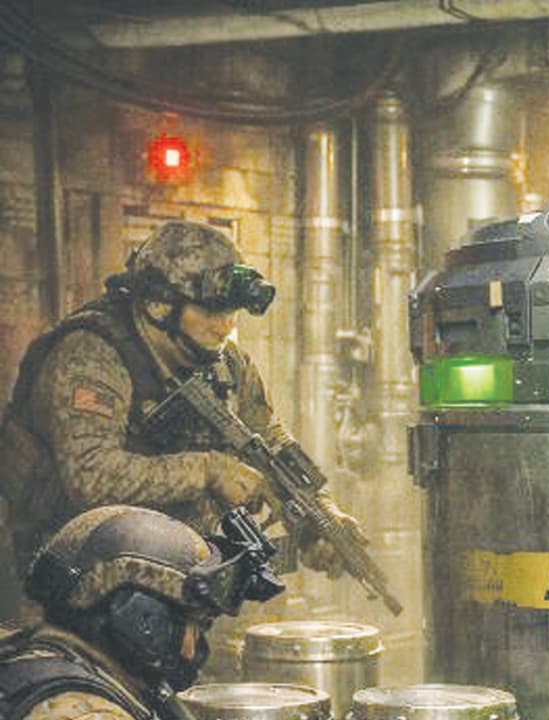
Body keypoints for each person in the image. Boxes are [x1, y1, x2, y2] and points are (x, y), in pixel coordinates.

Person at [0, 220, 361, 614]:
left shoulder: (227, 363)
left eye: (232, 311)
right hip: (72, 589)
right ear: (159, 305)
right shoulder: (91, 355)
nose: (226, 325)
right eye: (210, 310)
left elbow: (270, 443)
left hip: (179, 583)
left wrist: (320, 516)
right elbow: (91, 476)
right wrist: (208, 471)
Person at [0, 504, 284, 719]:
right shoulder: (89, 713)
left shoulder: (27, 656)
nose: (190, 650)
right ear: (140, 618)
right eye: (192, 624)